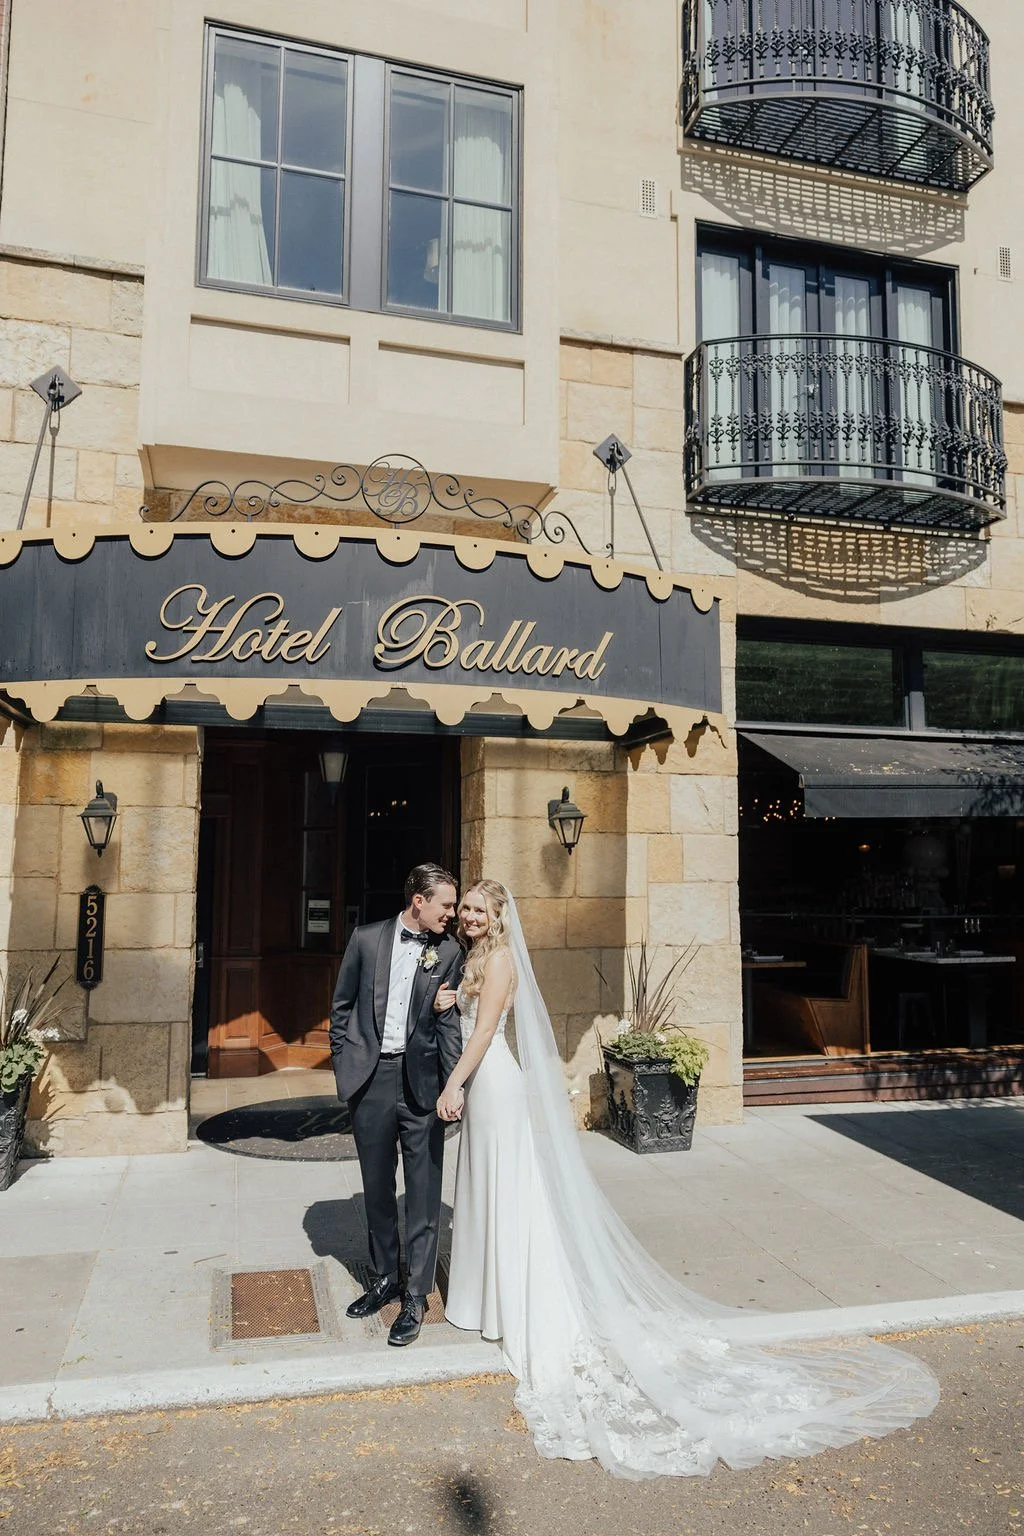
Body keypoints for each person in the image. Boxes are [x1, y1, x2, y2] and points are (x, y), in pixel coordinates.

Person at [433, 879, 940, 1480]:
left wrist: (453, 1084)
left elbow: (487, 1031)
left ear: (499, 917)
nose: (467, 916)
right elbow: (472, 1015)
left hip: (490, 1081)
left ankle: (507, 1303)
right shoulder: (477, 959)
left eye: (478, 910)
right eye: (464, 908)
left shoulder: (501, 960)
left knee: (503, 1191)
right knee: (486, 1189)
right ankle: (486, 1295)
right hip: (487, 1082)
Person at [329, 862, 463, 1347]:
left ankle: (415, 1295)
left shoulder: (449, 952)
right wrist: (346, 1066)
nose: (452, 912)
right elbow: (341, 1005)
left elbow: (448, 1025)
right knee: (377, 1188)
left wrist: (453, 1086)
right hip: (372, 1080)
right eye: (446, 904)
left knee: (424, 1196)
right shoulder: (366, 939)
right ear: (418, 901)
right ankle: (384, 1277)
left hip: (422, 1084)